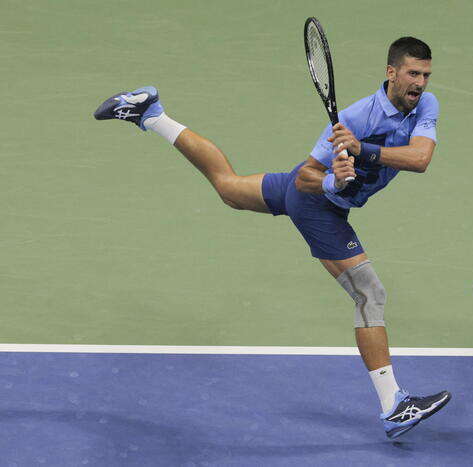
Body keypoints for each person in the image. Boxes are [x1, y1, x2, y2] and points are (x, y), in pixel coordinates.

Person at [94, 36, 450, 439]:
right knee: (369, 294)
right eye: (412, 73)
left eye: (425, 75)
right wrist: (335, 181)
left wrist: (362, 153)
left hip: (314, 194)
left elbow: (420, 158)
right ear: (391, 73)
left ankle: (150, 113)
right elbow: (307, 179)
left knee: (228, 186)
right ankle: (393, 405)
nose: (420, 82)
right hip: (316, 203)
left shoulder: (425, 105)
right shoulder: (355, 117)